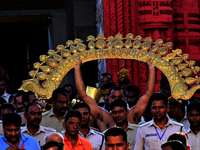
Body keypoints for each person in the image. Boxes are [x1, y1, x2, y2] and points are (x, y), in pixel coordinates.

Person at [74, 59, 155, 132]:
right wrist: (77, 69)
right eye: (113, 97)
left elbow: (149, 95)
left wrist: (151, 68)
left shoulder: (132, 114)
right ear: (108, 98)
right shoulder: (103, 116)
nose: (116, 99)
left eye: (120, 97)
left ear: (125, 98)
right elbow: (83, 95)